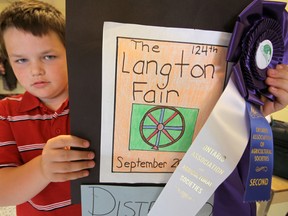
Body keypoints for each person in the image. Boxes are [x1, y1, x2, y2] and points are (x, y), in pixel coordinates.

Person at [0, 1, 95, 215]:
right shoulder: (5, 113)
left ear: (70, 53)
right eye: (21, 60)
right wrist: (42, 169)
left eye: (48, 56)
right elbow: (2, 193)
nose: (36, 70)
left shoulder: (96, 102)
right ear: (8, 63)